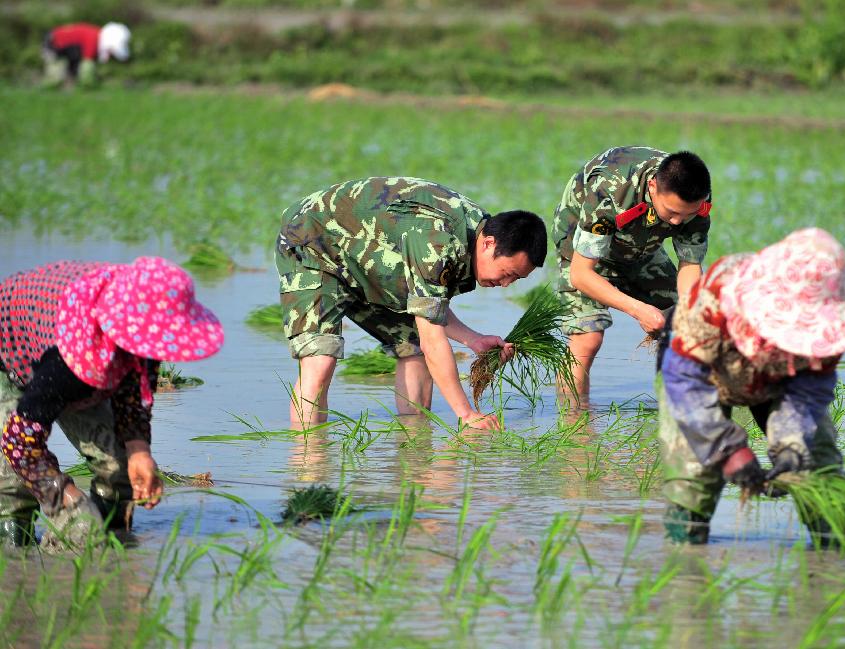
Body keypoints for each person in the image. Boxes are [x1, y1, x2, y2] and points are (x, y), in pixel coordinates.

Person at [275, 177, 548, 431]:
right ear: (489, 244)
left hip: (367, 262)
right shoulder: (438, 244)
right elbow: (434, 339)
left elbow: (430, 306)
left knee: (413, 349)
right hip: (313, 243)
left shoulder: (475, 233)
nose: (505, 284)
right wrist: (466, 415)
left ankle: (414, 453)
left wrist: (473, 339)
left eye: (516, 279)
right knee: (320, 359)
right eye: (507, 273)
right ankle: (309, 462)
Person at [656, 228, 845, 544]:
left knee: (816, 464)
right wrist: (727, 450)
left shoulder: (835, 319)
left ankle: (832, 558)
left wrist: (791, 445)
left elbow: (810, 391)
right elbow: (684, 378)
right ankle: (686, 556)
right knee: (693, 475)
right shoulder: (718, 294)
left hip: (781, 383)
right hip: (703, 380)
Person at [0, 257, 224, 548]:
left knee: (120, 466)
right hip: (11, 352)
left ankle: (111, 537)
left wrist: (140, 452)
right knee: (12, 485)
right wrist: (65, 497)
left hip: (78, 353)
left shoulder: (147, 331)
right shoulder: (66, 366)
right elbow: (18, 443)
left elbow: (133, 396)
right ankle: (14, 551)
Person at [552, 146, 712, 399]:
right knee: (588, 337)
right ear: (652, 187)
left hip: (642, 248)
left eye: (687, 214)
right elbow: (581, 275)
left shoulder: (697, 198)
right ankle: (575, 421)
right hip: (584, 252)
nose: (677, 222)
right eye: (671, 212)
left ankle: (689, 407)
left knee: (691, 326)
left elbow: (690, 265)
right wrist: (639, 310)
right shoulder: (609, 189)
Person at [42, 22, 131, 87]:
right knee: (55, 77)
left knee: (73, 69)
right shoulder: (92, 40)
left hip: (67, 49)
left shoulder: (96, 34)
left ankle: (68, 88)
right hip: (53, 44)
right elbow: (86, 66)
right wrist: (89, 83)